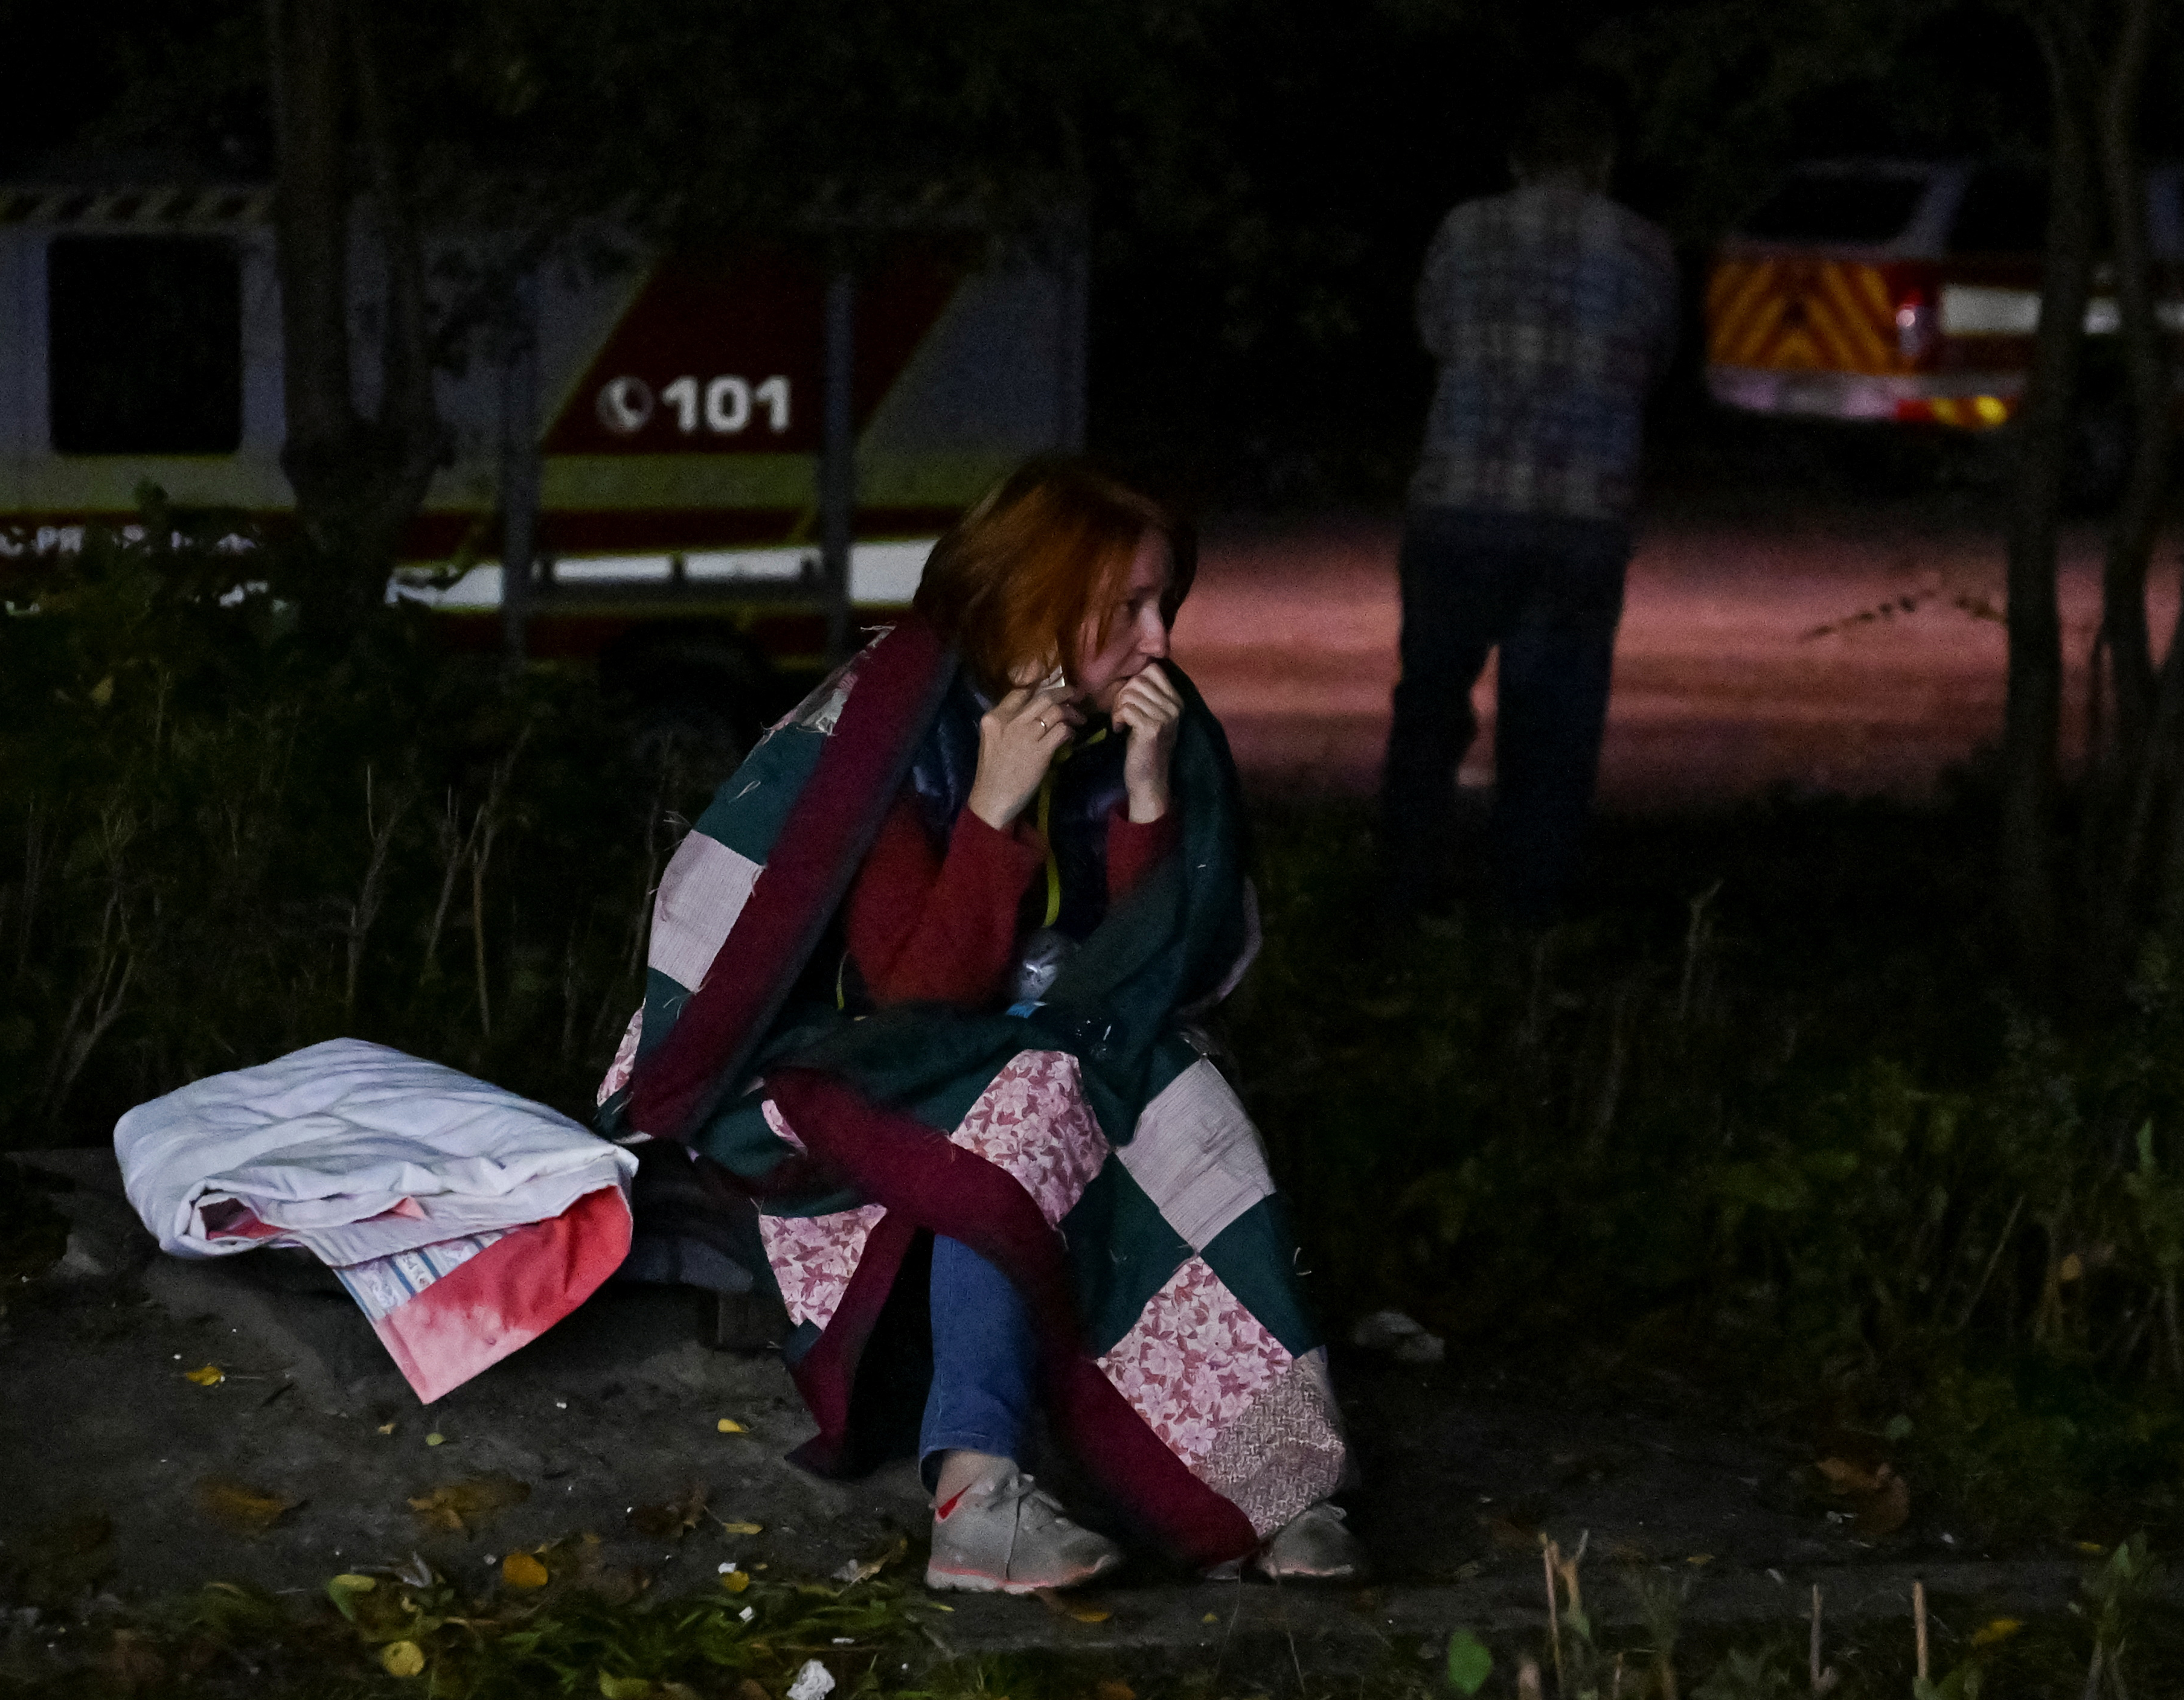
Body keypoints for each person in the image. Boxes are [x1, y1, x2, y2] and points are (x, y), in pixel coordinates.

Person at [600, 459, 1360, 1594]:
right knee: (1021, 1118)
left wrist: (1149, 798)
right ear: (1038, 603)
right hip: (850, 1066)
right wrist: (996, 804)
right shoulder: (889, 725)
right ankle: (978, 1496)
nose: (1159, 640)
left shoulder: (1156, 723)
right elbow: (917, 996)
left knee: (1180, 1101)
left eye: (1165, 605)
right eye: (1127, 610)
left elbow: (1172, 974)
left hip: (1065, 1046)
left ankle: (1278, 1487)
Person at [1380, 83, 1677, 923]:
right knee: (1552, 733)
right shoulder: (1644, 249)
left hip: (1462, 505)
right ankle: (1529, 920)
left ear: (1516, 160)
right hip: (1582, 515)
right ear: (1604, 160)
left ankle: (1404, 896)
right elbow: (1648, 365)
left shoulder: (1463, 232)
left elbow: (1434, 334)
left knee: (1430, 708)